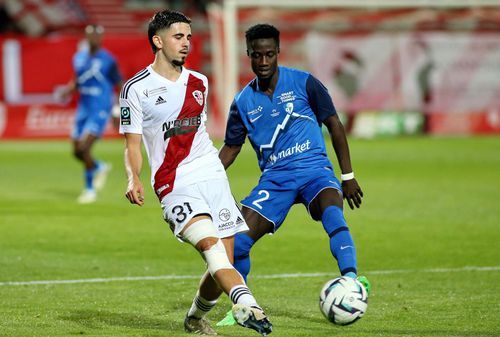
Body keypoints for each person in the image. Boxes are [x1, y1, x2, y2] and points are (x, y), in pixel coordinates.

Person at [119, 10, 272, 336]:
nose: (186, 43)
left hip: (213, 178)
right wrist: (133, 176)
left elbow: (198, 136)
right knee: (210, 246)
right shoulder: (136, 89)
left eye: (189, 37)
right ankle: (247, 302)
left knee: (222, 265)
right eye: (178, 37)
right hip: (174, 183)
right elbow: (132, 143)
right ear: (157, 41)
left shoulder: (199, 82)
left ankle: (193, 319)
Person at [217, 23, 371, 325]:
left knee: (333, 213)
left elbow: (334, 125)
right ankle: (242, 307)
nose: (263, 62)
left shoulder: (305, 83)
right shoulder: (242, 102)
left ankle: (352, 280)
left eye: (269, 55)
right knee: (238, 241)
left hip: (315, 171)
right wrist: (203, 176)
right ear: (248, 55)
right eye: (257, 56)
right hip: (276, 180)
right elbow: (231, 149)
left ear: (278, 53)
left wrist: (348, 175)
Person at [60, 24, 123, 204]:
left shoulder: (108, 60)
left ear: (101, 39)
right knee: (76, 152)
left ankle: (90, 190)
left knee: (84, 148)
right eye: (90, 36)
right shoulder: (79, 58)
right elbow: (78, 80)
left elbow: (119, 84)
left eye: (97, 36)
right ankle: (100, 166)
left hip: (100, 109)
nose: (94, 39)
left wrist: (118, 108)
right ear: (86, 38)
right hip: (83, 108)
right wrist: (68, 90)